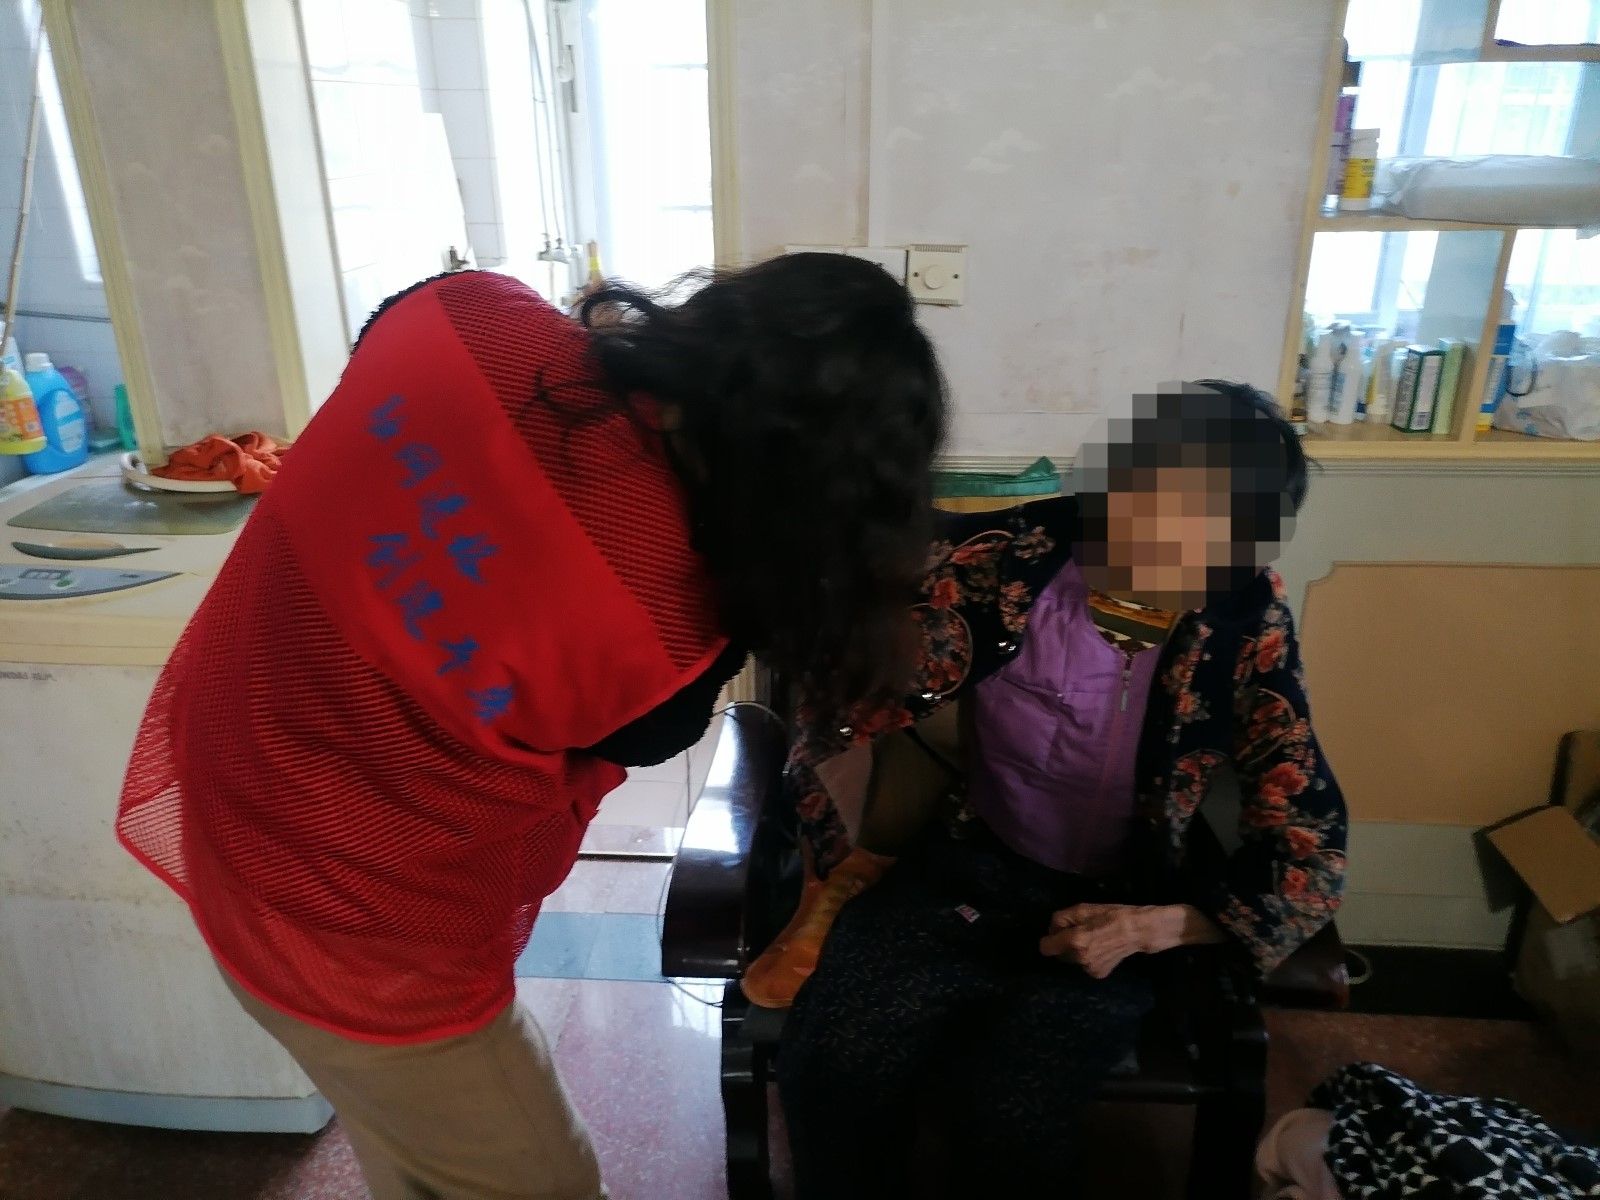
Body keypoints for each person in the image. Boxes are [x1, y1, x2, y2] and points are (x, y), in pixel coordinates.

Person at [115, 256, 947, 1200]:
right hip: (364, 930)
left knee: (412, 1150)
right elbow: (647, 730)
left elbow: (384, 349)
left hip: (232, 788)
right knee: (539, 1179)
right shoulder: (664, 631)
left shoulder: (463, 313)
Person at [767, 381, 1349, 1197]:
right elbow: (845, 649)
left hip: (1123, 903)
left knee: (1012, 1116)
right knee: (835, 1060)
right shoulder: (1008, 560)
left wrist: (1155, 927)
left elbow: (1309, 843)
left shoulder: (1245, 618)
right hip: (967, 864)